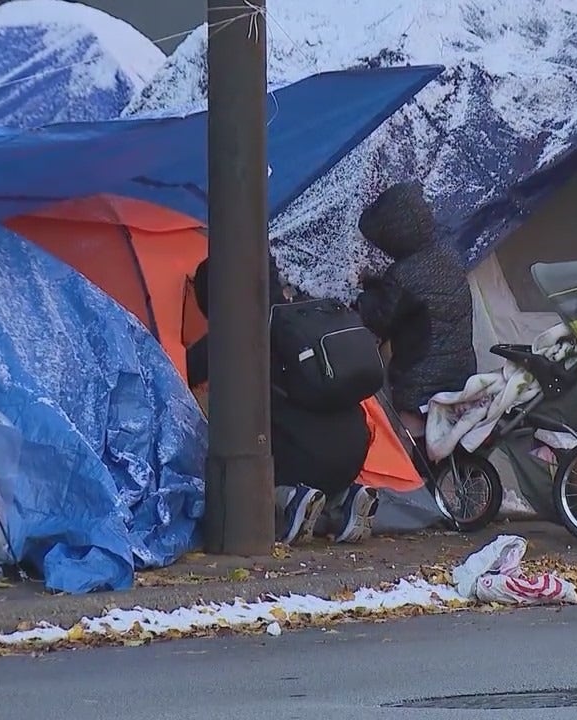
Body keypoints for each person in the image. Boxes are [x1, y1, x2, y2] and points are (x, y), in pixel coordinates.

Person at [185, 257, 379, 545]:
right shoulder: (307, 314)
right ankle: (345, 500)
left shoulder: (234, 333)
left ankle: (286, 499)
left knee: (237, 456)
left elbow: (181, 373)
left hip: (299, 459)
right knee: (307, 432)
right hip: (353, 450)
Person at [355, 181, 476, 437]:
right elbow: (418, 299)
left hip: (420, 379)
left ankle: (417, 474)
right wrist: (376, 283)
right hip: (460, 371)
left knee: (414, 445)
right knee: (448, 441)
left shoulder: (402, 275)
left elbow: (381, 317)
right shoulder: (448, 254)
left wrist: (361, 298)